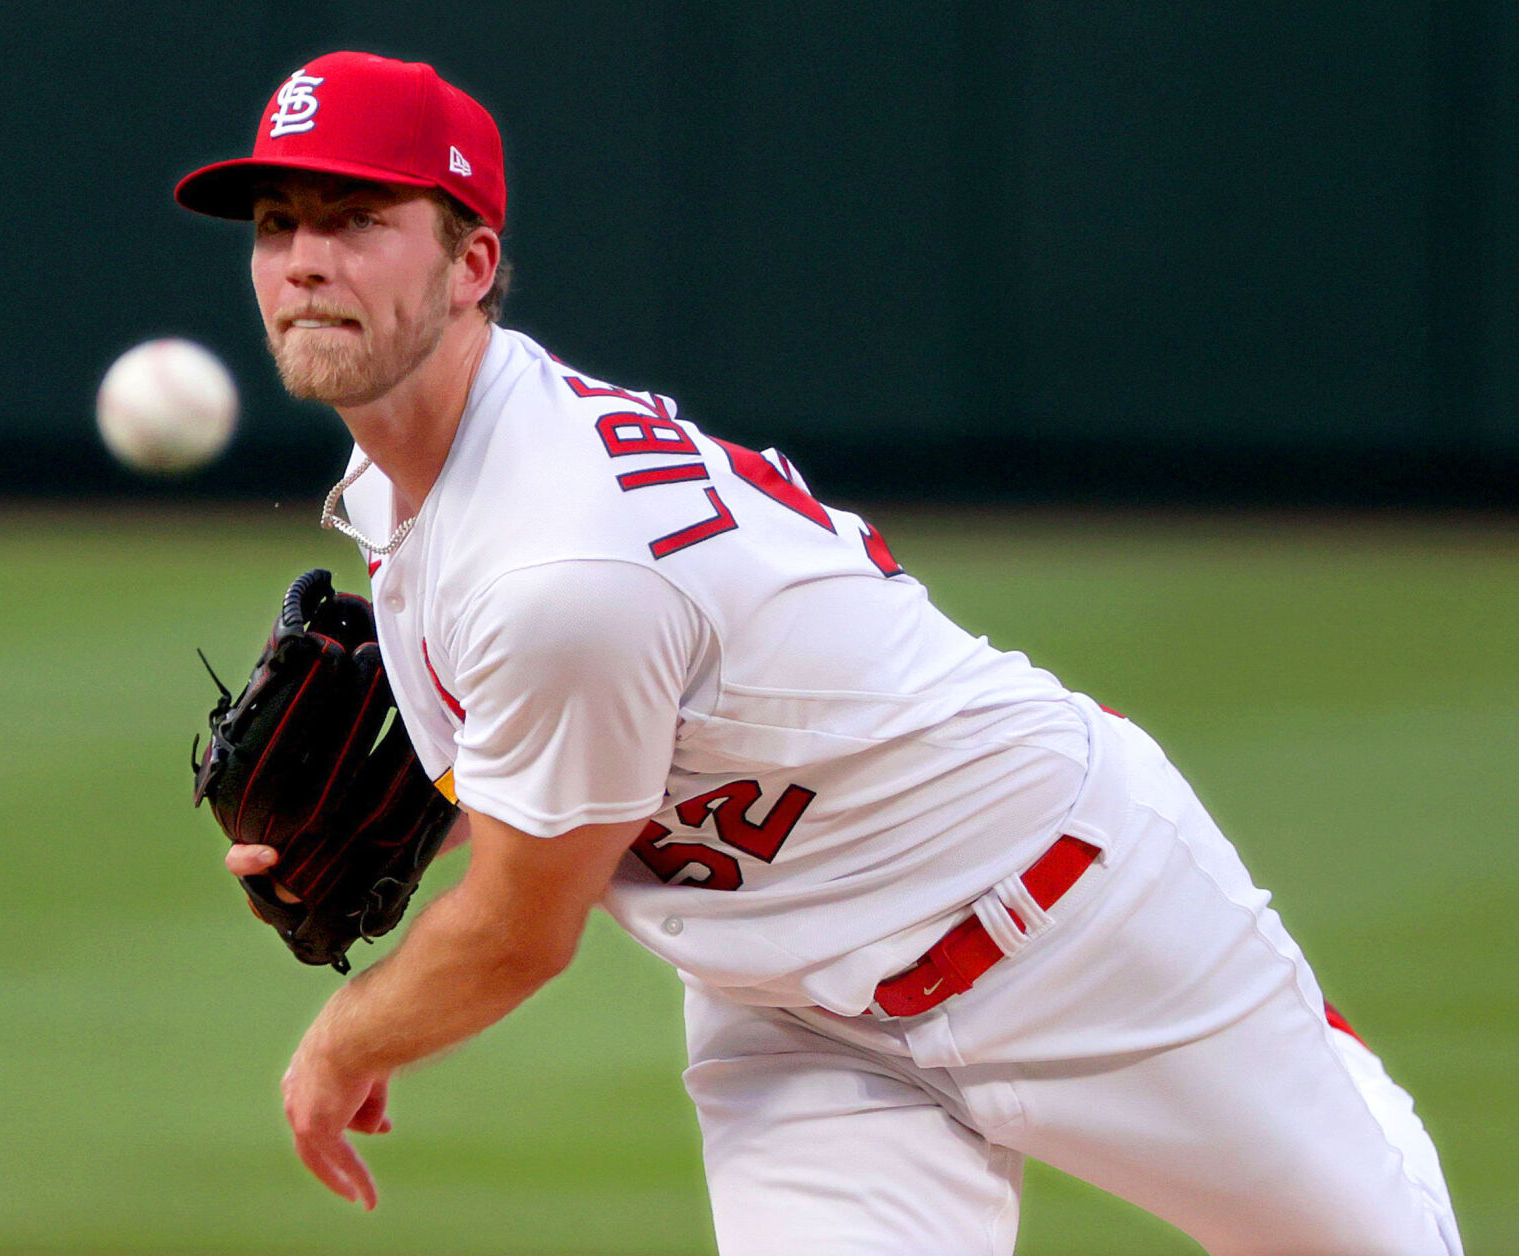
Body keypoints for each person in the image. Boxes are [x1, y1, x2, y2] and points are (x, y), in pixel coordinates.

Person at [175, 51, 1462, 1255]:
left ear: (469, 263)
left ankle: (1324, 1075)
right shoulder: (413, 477)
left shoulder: (558, 561)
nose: (302, 261)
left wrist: (351, 1033)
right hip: (798, 1024)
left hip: (1080, 932)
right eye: (278, 224)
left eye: (354, 221)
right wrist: (408, 829)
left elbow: (519, 931)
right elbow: (577, 765)